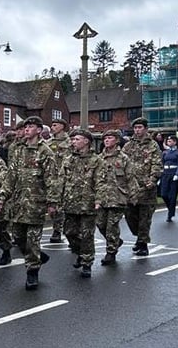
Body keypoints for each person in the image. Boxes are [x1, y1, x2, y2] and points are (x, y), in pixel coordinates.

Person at [0, 116, 60, 288]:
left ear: (38, 130)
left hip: (35, 204)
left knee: (32, 240)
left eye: (31, 127)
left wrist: (52, 203)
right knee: (18, 237)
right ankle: (37, 257)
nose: (27, 129)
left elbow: (52, 179)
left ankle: (32, 272)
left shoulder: (45, 152)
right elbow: (10, 177)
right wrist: (1, 198)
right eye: (26, 126)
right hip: (18, 203)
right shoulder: (18, 149)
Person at [59, 129, 103, 277]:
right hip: (70, 202)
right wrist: (56, 198)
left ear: (86, 141)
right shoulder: (68, 159)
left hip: (87, 204)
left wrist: (98, 200)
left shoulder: (96, 160)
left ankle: (87, 262)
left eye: (77, 139)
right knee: (69, 233)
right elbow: (61, 180)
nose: (73, 142)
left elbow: (100, 182)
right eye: (72, 139)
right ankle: (80, 253)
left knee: (87, 235)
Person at [95, 130, 138, 265]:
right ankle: (116, 241)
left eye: (110, 138)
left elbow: (131, 178)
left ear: (117, 140)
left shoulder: (123, 158)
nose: (107, 140)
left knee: (112, 226)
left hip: (118, 197)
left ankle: (111, 252)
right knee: (100, 224)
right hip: (101, 198)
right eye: (105, 138)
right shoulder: (98, 158)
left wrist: (133, 196)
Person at [122, 117, 162, 254]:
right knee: (130, 215)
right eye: (135, 128)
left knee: (144, 217)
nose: (137, 130)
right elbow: (122, 162)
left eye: (140, 127)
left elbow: (156, 164)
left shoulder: (153, 145)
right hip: (130, 187)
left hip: (146, 187)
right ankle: (139, 237)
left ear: (145, 129)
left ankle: (143, 243)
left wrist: (153, 179)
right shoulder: (128, 145)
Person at [47, 117, 71, 243]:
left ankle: (58, 230)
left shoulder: (70, 143)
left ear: (62, 126)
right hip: (51, 178)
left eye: (55, 125)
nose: (52, 127)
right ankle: (57, 227)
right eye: (52, 125)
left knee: (62, 206)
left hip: (65, 179)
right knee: (52, 206)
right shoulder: (48, 142)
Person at [160, 135, 178, 222]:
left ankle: (170, 214)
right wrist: (160, 176)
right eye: (168, 141)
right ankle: (171, 209)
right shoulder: (165, 153)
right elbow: (161, 164)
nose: (168, 142)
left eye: (170, 141)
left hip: (173, 174)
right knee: (163, 194)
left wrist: (177, 174)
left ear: (175, 142)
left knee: (172, 196)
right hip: (165, 174)